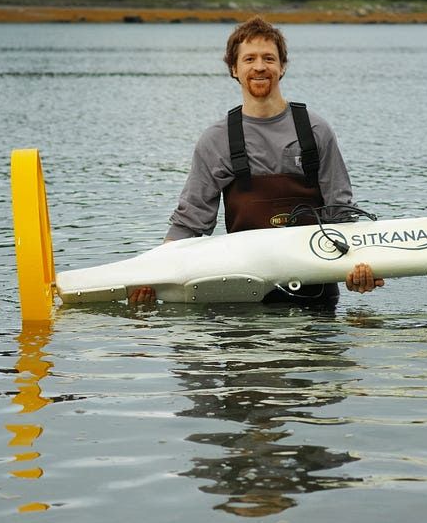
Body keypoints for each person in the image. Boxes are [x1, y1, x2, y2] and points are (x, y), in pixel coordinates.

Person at [128, 16, 383, 306]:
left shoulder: (316, 130)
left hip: (317, 295)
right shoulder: (216, 140)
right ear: (234, 69)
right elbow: (189, 223)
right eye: (249, 59)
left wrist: (360, 268)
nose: (260, 67)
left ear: (282, 66)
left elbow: (342, 214)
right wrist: (152, 275)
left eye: (269, 58)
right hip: (246, 300)